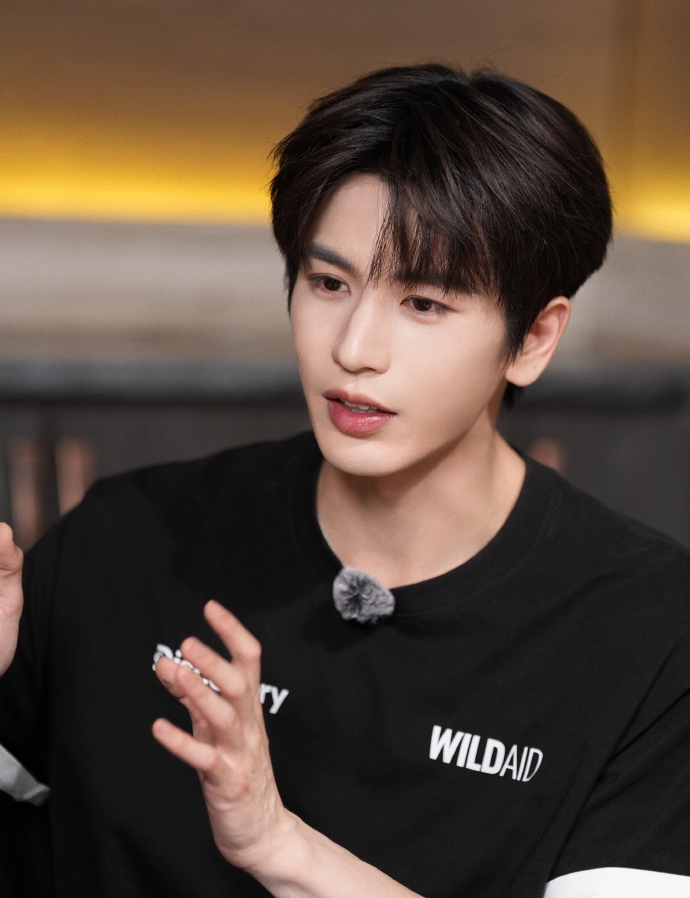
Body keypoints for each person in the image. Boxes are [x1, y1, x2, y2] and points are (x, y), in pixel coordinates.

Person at [1, 64, 689, 898]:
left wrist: (283, 847)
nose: (354, 348)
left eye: (424, 302)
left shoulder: (650, 634)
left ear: (534, 339)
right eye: (329, 283)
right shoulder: (125, 537)